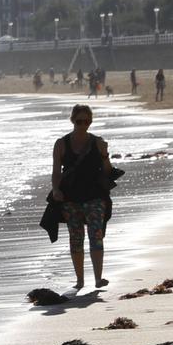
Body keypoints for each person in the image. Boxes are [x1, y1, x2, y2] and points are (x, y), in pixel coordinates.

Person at [49, 103, 116, 292]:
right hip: (70, 198)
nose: (83, 125)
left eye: (86, 121)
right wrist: (55, 189)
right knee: (76, 237)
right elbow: (56, 172)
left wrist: (104, 154)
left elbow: (108, 171)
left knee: (96, 235)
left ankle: (98, 278)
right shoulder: (61, 144)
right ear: (72, 120)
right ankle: (79, 280)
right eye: (79, 121)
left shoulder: (97, 142)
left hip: (95, 197)